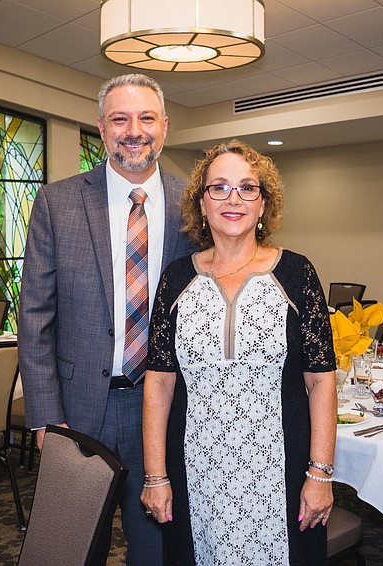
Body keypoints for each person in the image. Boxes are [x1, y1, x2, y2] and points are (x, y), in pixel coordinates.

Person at [19, 73, 194, 565]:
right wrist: (46, 416)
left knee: (156, 547)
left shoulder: (194, 208)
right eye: (120, 118)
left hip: (166, 408)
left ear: (165, 126)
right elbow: (34, 317)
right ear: (101, 127)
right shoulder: (58, 202)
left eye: (145, 118)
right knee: (74, 548)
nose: (133, 130)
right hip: (77, 410)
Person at [141, 139, 337, 565]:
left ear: (263, 205)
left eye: (248, 188)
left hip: (281, 472)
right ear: (201, 202)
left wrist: (320, 474)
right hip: (196, 469)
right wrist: (155, 476)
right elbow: (158, 383)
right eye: (220, 188)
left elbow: (321, 381)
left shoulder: (297, 273)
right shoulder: (175, 280)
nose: (234, 199)